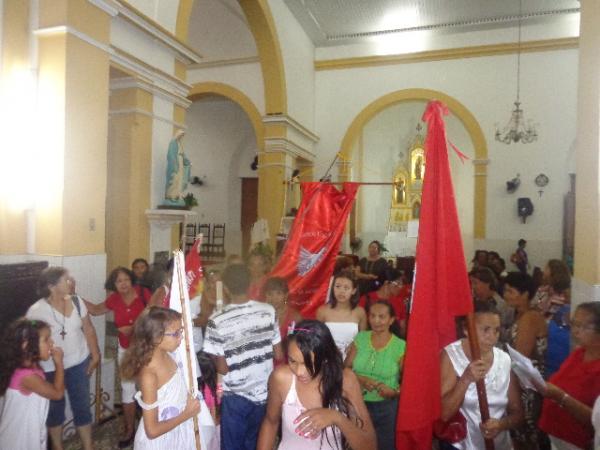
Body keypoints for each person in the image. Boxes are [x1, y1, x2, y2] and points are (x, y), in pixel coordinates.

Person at [257, 320, 376, 450]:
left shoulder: (345, 380)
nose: (299, 372)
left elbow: (369, 446)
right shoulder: (281, 379)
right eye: (292, 361)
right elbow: (270, 422)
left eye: (309, 364)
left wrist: (337, 418)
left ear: (325, 358)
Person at [203, 263, 283, 450]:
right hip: (264, 392)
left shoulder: (217, 319)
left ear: (227, 288)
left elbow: (222, 368)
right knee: (256, 443)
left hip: (235, 396)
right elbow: (278, 354)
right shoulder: (268, 311)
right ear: (250, 285)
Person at [26, 267, 100, 450]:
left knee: (82, 406)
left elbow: (88, 328)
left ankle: (88, 446)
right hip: (50, 367)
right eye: (66, 280)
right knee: (55, 410)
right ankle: (57, 447)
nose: (71, 283)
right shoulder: (36, 310)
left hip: (79, 362)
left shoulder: (76, 301)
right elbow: (30, 340)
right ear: (51, 286)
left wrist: (95, 354)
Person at [440, 302, 524, 450]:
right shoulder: (452, 356)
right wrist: (465, 379)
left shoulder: (504, 360)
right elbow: (444, 414)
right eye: (485, 330)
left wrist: (501, 424)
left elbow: (517, 414)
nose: (492, 337)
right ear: (467, 329)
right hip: (462, 444)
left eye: (496, 331)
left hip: (499, 445)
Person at [84, 266, 151, 447]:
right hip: (125, 350)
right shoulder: (114, 299)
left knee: (149, 387)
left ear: (131, 280)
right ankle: (130, 428)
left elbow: (157, 317)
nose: (123, 284)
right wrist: (75, 297)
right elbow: (96, 310)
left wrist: (136, 328)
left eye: (126, 279)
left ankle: (151, 428)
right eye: (118, 281)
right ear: (114, 284)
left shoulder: (144, 293)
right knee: (127, 389)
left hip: (147, 349)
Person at [120, 307, 201, 448]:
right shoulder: (149, 376)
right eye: (176, 333)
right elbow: (151, 430)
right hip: (160, 441)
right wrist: (186, 414)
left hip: (177, 431)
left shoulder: (170, 354)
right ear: (156, 337)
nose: (181, 337)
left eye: (180, 331)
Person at [537, 302, 600, 450]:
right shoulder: (579, 353)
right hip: (553, 432)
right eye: (573, 324)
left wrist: (561, 397)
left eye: (581, 326)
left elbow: (595, 419)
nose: (574, 331)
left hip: (575, 442)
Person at [345, 300, 406, 450]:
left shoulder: (401, 346)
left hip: (387, 407)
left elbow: (409, 383)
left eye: (381, 316)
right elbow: (345, 369)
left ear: (391, 320)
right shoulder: (360, 339)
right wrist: (361, 379)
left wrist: (395, 392)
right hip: (357, 403)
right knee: (357, 444)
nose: (376, 320)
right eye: (372, 316)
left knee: (385, 446)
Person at [0, 319, 65, 450]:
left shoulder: (27, 369)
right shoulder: (26, 376)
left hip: (25, 432)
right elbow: (57, 394)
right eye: (46, 340)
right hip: (18, 438)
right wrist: (59, 363)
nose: (51, 343)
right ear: (26, 345)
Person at [502, 272, 548, 449]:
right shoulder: (518, 314)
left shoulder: (530, 317)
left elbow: (521, 357)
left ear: (526, 294)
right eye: (505, 290)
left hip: (527, 384)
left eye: (511, 291)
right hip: (520, 379)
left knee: (527, 431)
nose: (506, 295)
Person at [532, 259, 572, 378]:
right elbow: (534, 307)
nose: (544, 271)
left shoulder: (565, 295)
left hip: (552, 332)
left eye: (546, 268)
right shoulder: (542, 290)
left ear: (553, 272)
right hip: (540, 326)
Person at [316, 269, 367, 359]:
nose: (341, 291)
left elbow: (363, 338)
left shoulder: (360, 312)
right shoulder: (322, 311)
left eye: (346, 288)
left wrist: (354, 345)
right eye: (338, 286)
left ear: (353, 290)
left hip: (352, 358)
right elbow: (317, 337)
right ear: (333, 288)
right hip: (327, 358)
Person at [359, 268, 407, 338]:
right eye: (398, 283)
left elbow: (402, 329)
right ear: (386, 283)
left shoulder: (399, 302)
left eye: (402, 284)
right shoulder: (366, 299)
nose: (401, 287)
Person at [470, 267, 513, 345]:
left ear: (487, 283)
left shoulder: (501, 305)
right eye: (471, 283)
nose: (472, 287)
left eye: (475, 283)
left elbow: (505, 335)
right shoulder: (474, 301)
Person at [263, 276, 303, 355]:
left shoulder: (294, 317)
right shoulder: (260, 316)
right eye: (270, 294)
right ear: (265, 295)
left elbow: (300, 344)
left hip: (287, 361)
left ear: (286, 295)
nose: (274, 298)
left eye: (278, 293)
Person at [164, 129, 191, 207]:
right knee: (174, 179)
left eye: (182, 136)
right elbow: (171, 154)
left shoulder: (180, 144)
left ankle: (177, 195)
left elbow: (183, 155)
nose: (182, 137)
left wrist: (188, 162)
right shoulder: (173, 143)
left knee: (180, 179)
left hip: (180, 163)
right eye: (181, 135)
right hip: (175, 163)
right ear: (178, 135)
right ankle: (171, 196)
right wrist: (174, 164)